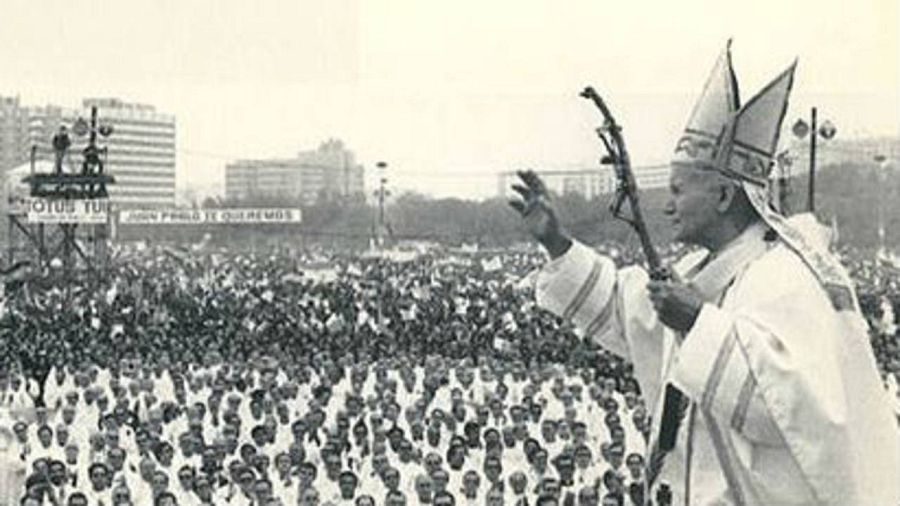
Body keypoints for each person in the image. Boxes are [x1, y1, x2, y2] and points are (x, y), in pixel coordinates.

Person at [509, 41, 900, 505]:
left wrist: (700, 323)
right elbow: (629, 311)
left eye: (678, 189)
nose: (668, 204)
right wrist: (557, 241)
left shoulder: (786, 278)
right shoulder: (703, 270)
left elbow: (798, 409)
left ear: (722, 196)